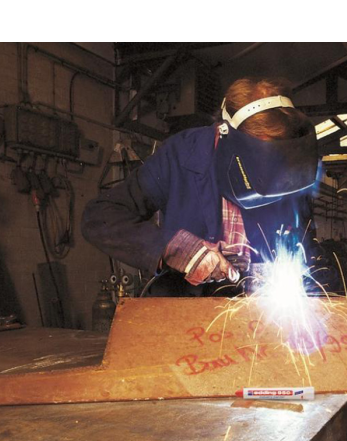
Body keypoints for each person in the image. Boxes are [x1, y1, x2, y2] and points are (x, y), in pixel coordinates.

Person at [81, 77, 319, 295]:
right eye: (262, 162)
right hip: (186, 311)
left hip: (257, 313)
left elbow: (306, 246)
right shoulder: (181, 155)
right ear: (226, 135)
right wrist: (173, 247)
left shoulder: (289, 169)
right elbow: (100, 216)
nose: (270, 172)